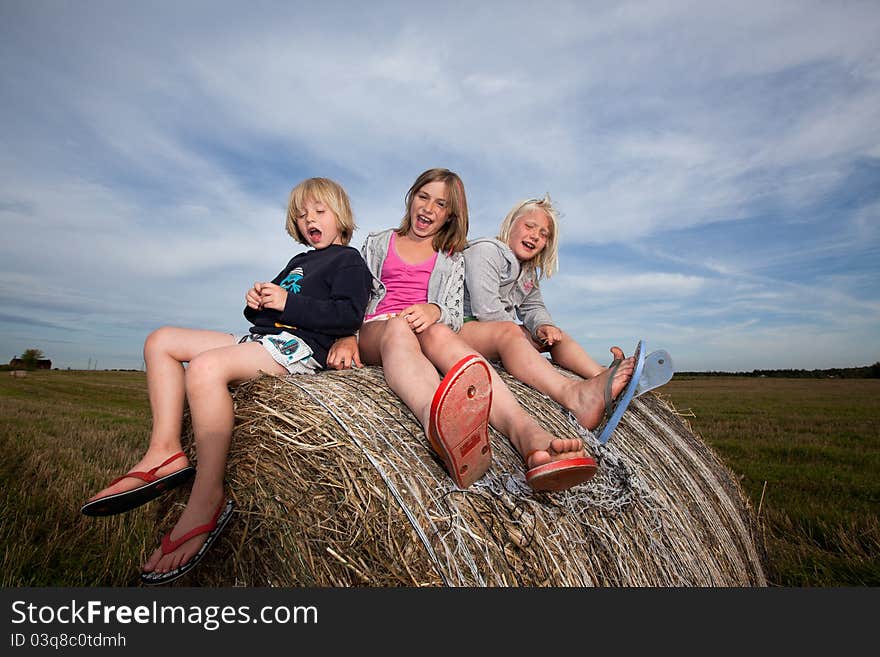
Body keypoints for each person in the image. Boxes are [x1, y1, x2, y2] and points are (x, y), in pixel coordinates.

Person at [81, 177, 372, 585]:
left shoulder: (349, 261)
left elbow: (347, 316)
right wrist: (255, 303)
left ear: (340, 215)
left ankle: (207, 497)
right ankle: (164, 451)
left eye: (319, 212)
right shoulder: (298, 262)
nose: (310, 220)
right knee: (161, 341)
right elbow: (260, 318)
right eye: (302, 215)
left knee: (204, 369)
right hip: (262, 338)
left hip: (300, 349)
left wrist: (289, 302)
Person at [327, 168, 598, 492]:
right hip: (378, 329)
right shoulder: (379, 242)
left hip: (426, 327)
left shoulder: (451, 258)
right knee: (399, 328)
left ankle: (528, 435)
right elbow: (355, 295)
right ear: (411, 198)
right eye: (423, 197)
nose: (428, 208)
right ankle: (438, 425)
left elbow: (454, 313)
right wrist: (345, 335)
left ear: (451, 215)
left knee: (443, 334)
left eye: (440, 204)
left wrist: (435, 309)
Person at [459, 194, 635, 434]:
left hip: (498, 332)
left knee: (555, 336)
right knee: (511, 332)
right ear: (510, 225)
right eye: (529, 226)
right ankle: (573, 396)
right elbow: (485, 308)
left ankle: (603, 377)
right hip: (463, 328)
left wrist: (542, 326)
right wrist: (520, 338)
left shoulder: (529, 273)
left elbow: (533, 308)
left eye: (544, 234)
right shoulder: (486, 252)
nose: (535, 236)